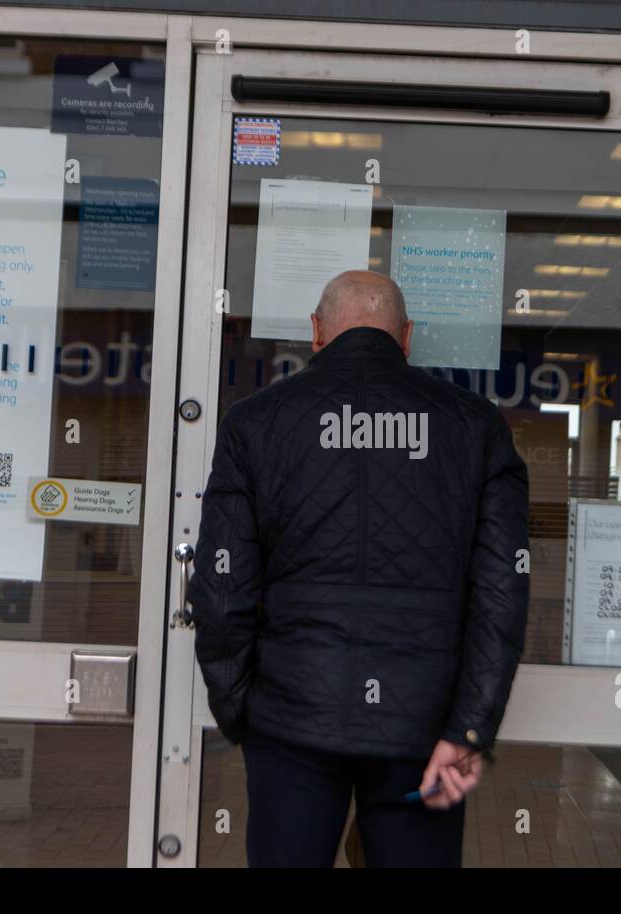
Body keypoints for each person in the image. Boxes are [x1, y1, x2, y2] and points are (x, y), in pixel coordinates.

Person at [189, 270, 529, 867]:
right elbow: (502, 591)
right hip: (422, 731)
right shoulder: (475, 427)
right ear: (407, 337)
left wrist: (241, 707)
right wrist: (468, 728)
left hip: (291, 719)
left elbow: (219, 590)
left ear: (316, 331)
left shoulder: (254, 423)